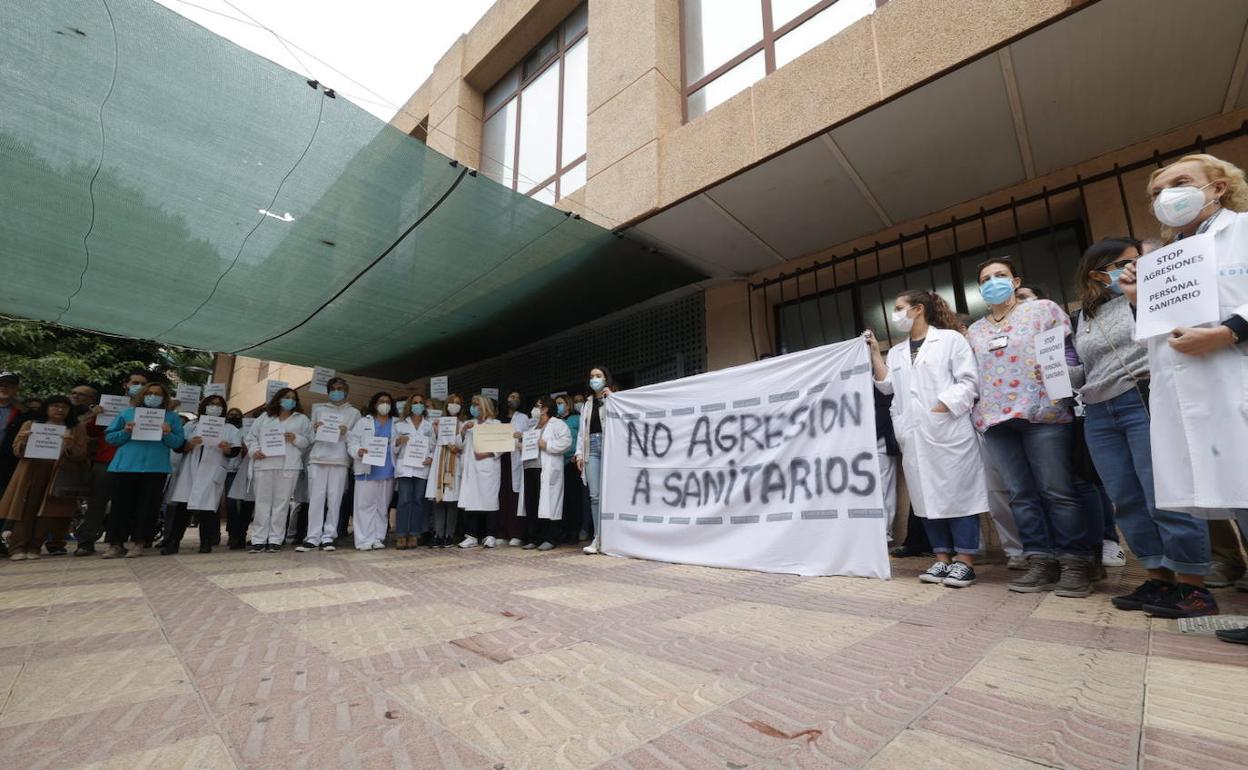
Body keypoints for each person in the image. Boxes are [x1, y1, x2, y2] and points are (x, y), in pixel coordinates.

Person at [1117, 154, 1248, 640]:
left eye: (1179, 183)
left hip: (1234, 376)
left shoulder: (1244, 230)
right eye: (1156, 192)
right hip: (1192, 392)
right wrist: (1138, 300)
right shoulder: (1168, 258)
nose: (1166, 196)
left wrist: (1230, 332)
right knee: (1237, 497)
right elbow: (1156, 334)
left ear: (1216, 188)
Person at [1070, 236, 1216, 618]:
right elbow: (1084, 368)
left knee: (1164, 491)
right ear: (1097, 273)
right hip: (1099, 410)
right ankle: (1158, 577)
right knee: (1127, 497)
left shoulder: (1157, 296)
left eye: (1134, 261)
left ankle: (1194, 585)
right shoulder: (1084, 315)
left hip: (1142, 396)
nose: (1130, 269)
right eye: (1120, 264)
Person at [967, 258, 1090, 596]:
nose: (994, 282)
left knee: (1057, 490)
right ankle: (1039, 560)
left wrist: (1062, 383)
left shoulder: (1042, 310)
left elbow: (1067, 353)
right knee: (1021, 495)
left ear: (1016, 280)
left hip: (1043, 414)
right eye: (986, 279)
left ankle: (1076, 563)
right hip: (996, 421)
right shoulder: (975, 331)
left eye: (1000, 276)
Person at [870, 290, 987, 588]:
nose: (895, 315)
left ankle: (965, 561)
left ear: (918, 309)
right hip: (914, 435)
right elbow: (886, 386)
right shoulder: (896, 352)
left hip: (948, 430)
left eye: (899, 308)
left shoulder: (950, 340)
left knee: (959, 495)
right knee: (925, 498)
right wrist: (874, 353)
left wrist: (942, 406)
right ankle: (941, 559)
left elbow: (969, 381)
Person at [0, 396, 89, 560]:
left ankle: (35, 547)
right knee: (25, 509)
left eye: (64, 407)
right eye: (55, 406)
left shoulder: (76, 428)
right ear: (46, 408)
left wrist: (70, 445)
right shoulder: (31, 425)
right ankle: (17, 547)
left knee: (47, 512)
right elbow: (16, 450)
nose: (60, 410)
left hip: (58, 473)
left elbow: (81, 454)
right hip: (31, 471)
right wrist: (25, 441)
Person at [103, 382, 185, 558]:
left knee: (148, 507)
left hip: (156, 468)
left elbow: (179, 443)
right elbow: (110, 438)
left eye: (157, 394)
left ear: (164, 398)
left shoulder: (171, 417)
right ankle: (116, 544)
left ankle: (140, 542)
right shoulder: (127, 413)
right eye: (149, 393)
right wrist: (125, 431)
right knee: (120, 507)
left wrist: (168, 434)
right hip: (125, 466)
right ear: (142, 395)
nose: (153, 397)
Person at [74, 371, 147, 555]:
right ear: (126, 384)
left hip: (134, 462)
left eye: (143, 383)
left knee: (126, 505)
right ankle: (86, 541)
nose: (138, 386)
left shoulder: (150, 410)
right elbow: (90, 432)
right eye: (135, 382)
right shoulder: (109, 405)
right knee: (97, 503)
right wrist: (94, 414)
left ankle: (116, 541)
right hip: (106, 460)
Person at [163, 395, 241, 554]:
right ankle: (173, 542)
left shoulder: (229, 429)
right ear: (204, 406)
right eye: (211, 404)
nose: (215, 407)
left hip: (212, 472)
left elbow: (235, 451)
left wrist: (226, 449)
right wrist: (189, 444)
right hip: (189, 471)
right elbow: (178, 446)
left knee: (207, 510)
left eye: (218, 405)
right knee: (182, 509)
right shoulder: (191, 426)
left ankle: (206, 543)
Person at [244, 388, 309, 553]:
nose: (290, 400)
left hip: (289, 465)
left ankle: (275, 539)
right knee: (262, 503)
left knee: (281, 504)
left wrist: (296, 438)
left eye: (293, 398)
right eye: (286, 397)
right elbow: (251, 437)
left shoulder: (301, 419)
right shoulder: (265, 417)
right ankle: (258, 539)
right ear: (278, 399)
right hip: (264, 464)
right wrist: (254, 450)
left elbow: (309, 440)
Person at [302, 377, 360, 552]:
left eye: (340, 388)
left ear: (346, 390)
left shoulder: (354, 413)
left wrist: (346, 432)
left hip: (340, 460)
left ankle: (328, 536)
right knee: (316, 499)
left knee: (334, 500)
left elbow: (356, 439)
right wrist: (315, 428)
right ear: (328, 391)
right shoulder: (319, 410)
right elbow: (310, 438)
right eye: (333, 388)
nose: (337, 391)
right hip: (318, 458)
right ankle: (312, 537)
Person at [517, 396, 572, 551]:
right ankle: (534, 538)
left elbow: (566, 442)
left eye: (537, 406)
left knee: (548, 504)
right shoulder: (533, 426)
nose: (534, 409)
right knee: (532, 503)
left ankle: (550, 538)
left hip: (546, 468)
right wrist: (519, 443)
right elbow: (530, 444)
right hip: (530, 467)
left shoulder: (557, 424)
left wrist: (547, 444)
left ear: (545, 409)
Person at [347, 392, 397, 550]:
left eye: (388, 402)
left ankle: (377, 537)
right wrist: (358, 451)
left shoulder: (396, 423)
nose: (385, 404)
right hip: (367, 470)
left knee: (382, 507)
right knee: (364, 506)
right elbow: (352, 442)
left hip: (387, 470)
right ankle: (363, 540)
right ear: (375, 404)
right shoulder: (363, 422)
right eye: (381, 401)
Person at [576, 367, 615, 554]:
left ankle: (612, 537)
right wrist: (579, 454)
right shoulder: (587, 404)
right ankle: (597, 538)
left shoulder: (614, 399)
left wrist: (612, 398)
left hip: (609, 447)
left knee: (611, 494)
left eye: (599, 376)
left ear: (606, 379)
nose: (595, 379)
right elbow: (582, 432)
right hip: (590, 448)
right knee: (595, 495)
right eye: (592, 376)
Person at [458, 395, 503, 548]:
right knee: (471, 502)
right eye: (472, 404)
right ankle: (471, 536)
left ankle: (491, 535)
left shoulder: (495, 423)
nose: (474, 407)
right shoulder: (468, 424)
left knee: (489, 501)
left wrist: (489, 454)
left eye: (477, 404)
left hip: (488, 468)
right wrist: (463, 431)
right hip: (471, 469)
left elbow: (503, 445)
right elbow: (458, 445)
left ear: (484, 406)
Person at [392, 394, 434, 549]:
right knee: (403, 501)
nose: (418, 405)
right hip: (405, 469)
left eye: (421, 403)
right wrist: (398, 442)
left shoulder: (429, 426)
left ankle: (414, 534)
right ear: (410, 405)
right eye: (415, 403)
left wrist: (430, 458)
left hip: (422, 468)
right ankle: (401, 535)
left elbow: (433, 446)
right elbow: (392, 448)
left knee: (418, 502)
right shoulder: (400, 424)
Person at [425, 394, 464, 547]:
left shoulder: (462, 424)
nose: (454, 406)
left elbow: (463, 446)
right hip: (439, 462)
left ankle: (449, 534)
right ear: (446, 405)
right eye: (451, 403)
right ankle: (438, 533)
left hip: (454, 463)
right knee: (438, 500)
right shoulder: (438, 423)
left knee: (451, 501)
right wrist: (435, 430)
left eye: (457, 403)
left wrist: (459, 439)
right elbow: (432, 444)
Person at [500, 391, 530, 547]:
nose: (513, 400)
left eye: (517, 398)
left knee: (514, 497)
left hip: (515, 459)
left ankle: (516, 533)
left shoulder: (524, 418)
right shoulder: (499, 418)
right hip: (500, 459)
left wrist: (522, 435)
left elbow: (530, 436)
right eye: (511, 397)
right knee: (502, 496)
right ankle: (503, 532)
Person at [555, 394, 584, 543]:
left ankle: (574, 531)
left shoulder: (577, 419)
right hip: (558, 463)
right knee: (562, 499)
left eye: (561, 403)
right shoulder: (555, 421)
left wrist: (578, 455)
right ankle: (563, 530)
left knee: (574, 499)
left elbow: (582, 438)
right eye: (557, 403)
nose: (558, 406)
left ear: (568, 404)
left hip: (572, 462)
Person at [222, 408, 251, 549]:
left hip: (240, 470)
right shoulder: (223, 429)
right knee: (228, 504)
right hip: (224, 469)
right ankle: (230, 534)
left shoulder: (246, 430)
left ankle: (237, 535)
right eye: (231, 415)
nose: (234, 417)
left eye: (237, 415)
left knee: (237, 504)